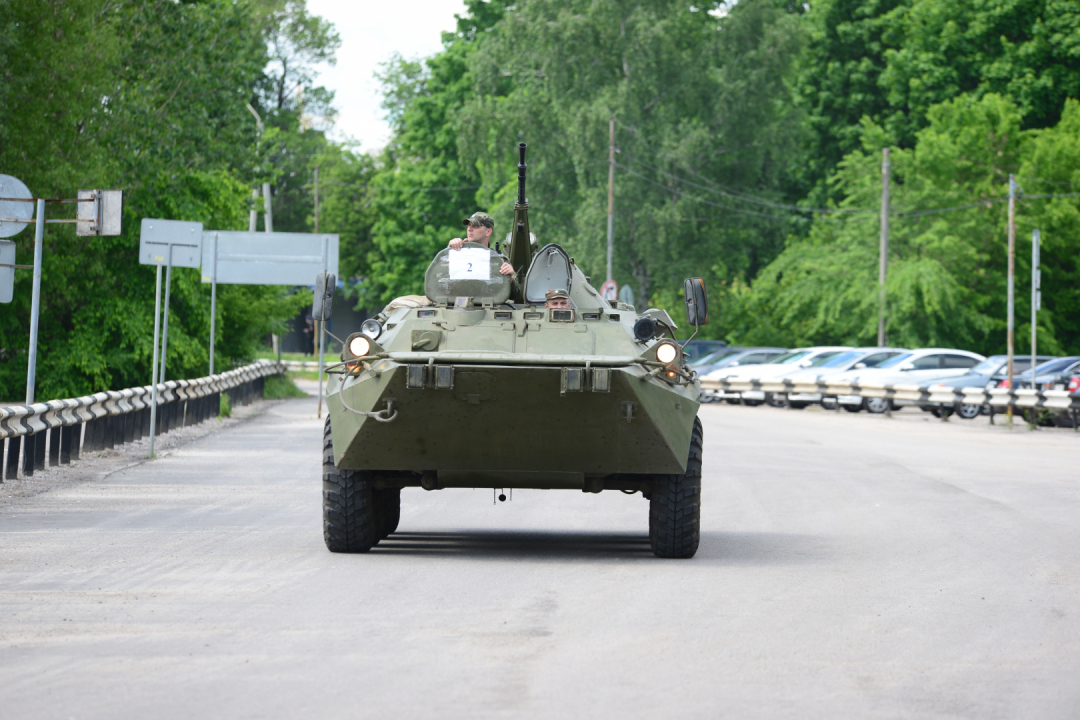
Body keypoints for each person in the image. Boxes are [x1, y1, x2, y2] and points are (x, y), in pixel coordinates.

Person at [449, 211, 513, 276]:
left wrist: (510, 277)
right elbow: (443, 277)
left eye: (475, 226)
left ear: (488, 231)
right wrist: (450, 249)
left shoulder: (498, 260)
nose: (469, 229)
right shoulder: (458, 253)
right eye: (469, 225)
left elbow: (507, 284)